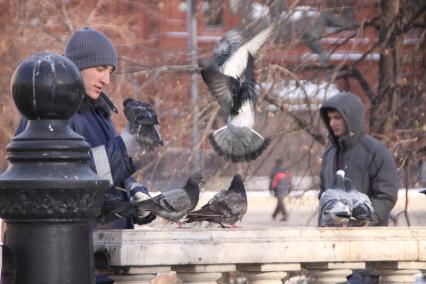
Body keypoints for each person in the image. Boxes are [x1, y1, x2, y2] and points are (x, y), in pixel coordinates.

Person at [16, 27, 155, 229]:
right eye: (100, 69)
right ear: (77, 66)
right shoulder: (53, 111)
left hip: (105, 244)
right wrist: (123, 149)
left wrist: (132, 189)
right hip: (76, 246)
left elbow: (103, 173)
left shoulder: (99, 111)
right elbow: (65, 179)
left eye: (110, 71)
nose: (106, 80)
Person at [318, 92, 398, 226]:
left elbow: (386, 196)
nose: (332, 123)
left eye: (338, 118)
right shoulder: (329, 153)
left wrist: (362, 222)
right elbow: (323, 194)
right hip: (332, 238)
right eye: (330, 118)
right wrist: (324, 224)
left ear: (351, 118)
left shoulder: (376, 152)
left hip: (368, 239)